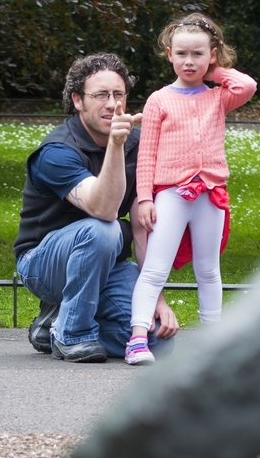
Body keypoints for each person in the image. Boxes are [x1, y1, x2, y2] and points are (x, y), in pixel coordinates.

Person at [15, 53, 179, 362]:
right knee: (103, 230)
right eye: (101, 95)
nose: (111, 104)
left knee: (154, 338)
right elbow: (102, 209)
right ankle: (72, 334)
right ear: (78, 100)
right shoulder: (56, 152)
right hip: (44, 264)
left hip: (108, 264)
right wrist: (116, 147)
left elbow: (144, 225)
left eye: (118, 94)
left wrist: (156, 298)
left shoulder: (138, 145)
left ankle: (55, 322)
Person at [125, 14, 256, 365]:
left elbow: (247, 86)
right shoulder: (159, 101)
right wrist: (145, 198)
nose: (189, 61)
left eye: (198, 54)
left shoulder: (217, 98)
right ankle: (138, 336)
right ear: (169, 54)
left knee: (209, 269)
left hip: (210, 193)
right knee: (155, 267)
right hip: (171, 194)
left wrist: (214, 73)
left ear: (212, 55)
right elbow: (146, 155)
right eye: (181, 53)